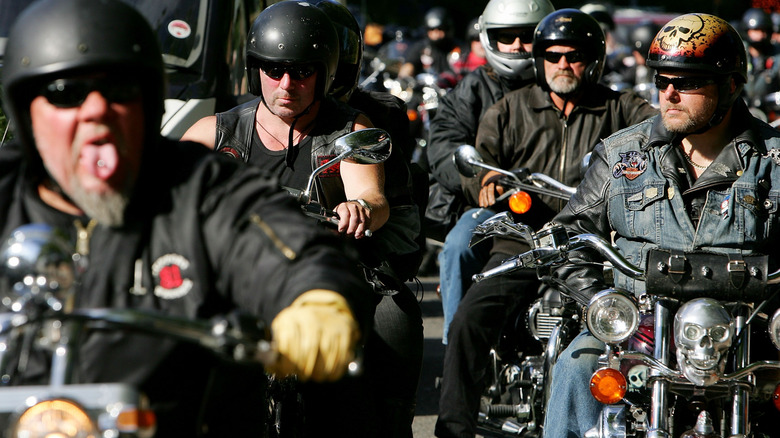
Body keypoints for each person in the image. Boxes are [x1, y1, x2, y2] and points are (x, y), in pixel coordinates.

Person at [0, 0, 373, 437]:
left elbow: (277, 239)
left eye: (121, 89)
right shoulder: (6, 192)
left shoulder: (199, 186)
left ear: (150, 104)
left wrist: (314, 296)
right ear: (27, 112)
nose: (96, 111)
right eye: (67, 93)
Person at [182, 1, 422, 436]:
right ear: (256, 69)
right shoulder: (215, 133)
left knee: (392, 316)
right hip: (239, 273)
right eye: (274, 71)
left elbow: (372, 194)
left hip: (327, 269)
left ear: (325, 73)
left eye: (302, 72)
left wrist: (361, 208)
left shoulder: (348, 129)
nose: (286, 84)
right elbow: (167, 193)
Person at [542, 13, 780, 437]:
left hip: (749, 333)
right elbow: (567, 237)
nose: (669, 93)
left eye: (687, 82)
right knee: (577, 367)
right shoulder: (623, 155)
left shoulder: (774, 161)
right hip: (640, 331)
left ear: (730, 85)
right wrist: (603, 305)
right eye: (662, 80)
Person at [435, 9, 658, 438]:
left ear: (592, 59)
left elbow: (664, 129)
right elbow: (478, 162)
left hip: (593, 245)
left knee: (622, 333)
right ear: (540, 59)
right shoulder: (509, 110)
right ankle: (454, 426)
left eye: (574, 56)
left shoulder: (620, 109)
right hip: (524, 240)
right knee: (470, 317)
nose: (563, 65)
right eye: (553, 55)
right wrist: (483, 179)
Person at [308, 1, 425, 436]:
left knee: (392, 316)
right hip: (273, 254)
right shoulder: (251, 118)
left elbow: (386, 205)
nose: (296, 80)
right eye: (288, 67)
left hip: (358, 256)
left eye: (313, 66)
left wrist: (359, 214)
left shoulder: (377, 116)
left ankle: (391, 423)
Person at [426, 0, 555, 346]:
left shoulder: (562, 84)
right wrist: (476, 178)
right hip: (491, 208)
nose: (516, 45)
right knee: (457, 247)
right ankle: (459, 355)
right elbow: (442, 144)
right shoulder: (471, 89)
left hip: (562, 207)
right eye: (506, 36)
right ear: (488, 38)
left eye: (526, 36)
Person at [398, 6, 460, 81]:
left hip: (453, 89)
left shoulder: (458, 48)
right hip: (425, 89)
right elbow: (408, 66)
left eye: (440, 29)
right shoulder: (421, 47)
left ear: (447, 29)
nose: (436, 33)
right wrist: (404, 79)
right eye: (432, 29)